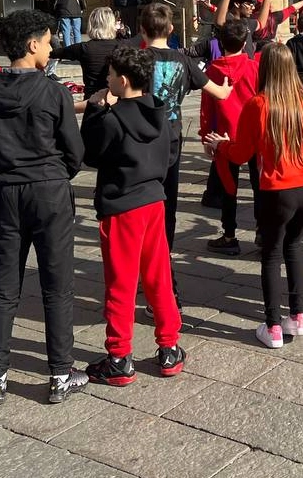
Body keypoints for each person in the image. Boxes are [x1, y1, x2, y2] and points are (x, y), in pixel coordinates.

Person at [0, 9, 87, 405]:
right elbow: (74, 149)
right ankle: (59, 372)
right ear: (33, 45)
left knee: (3, 287)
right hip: (49, 190)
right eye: (49, 41)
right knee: (57, 285)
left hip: (4, 191)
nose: (51, 47)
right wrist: (56, 174)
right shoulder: (53, 92)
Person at [206, 43, 303, 348]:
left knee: (272, 254)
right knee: (295, 246)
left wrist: (221, 144)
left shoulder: (258, 104)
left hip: (279, 190)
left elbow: (241, 153)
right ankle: (299, 317)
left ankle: (273, 326)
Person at [81, 45, 186, 384]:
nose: (106, 80)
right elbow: (169, 158)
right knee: (159, 277)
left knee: (121, 282)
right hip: (154, 200)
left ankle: (119, 355)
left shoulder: (112, 119)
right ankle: (169, 347)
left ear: (122, 81)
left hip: (121, 205)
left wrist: (95, 108)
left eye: (110, 76)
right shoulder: (161, 112)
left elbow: (91, 154)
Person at [144, 3, 232, 298]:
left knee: (141, 205)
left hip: (138, 139)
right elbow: (219, 92)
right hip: (170, 138)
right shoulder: (183, 61)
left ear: (142, 29)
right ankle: (163, 261)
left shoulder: (136, 58)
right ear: (171, 30)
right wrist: (230, 83)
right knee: (167, 204)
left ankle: (145, 264)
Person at [200, 20, 261, 256]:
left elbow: (207, 108)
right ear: (245, 42)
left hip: (225, 134)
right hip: (253, 133)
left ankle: (229, 235)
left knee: (229, 187)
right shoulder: (254, 67)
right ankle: (261, 231)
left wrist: (207, 137)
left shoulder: (213, 70)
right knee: (259, 185)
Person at [55, 7, 121, 109]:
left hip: (92, 102)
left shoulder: (83, 48)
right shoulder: (122, 46)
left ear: (92, 25)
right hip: (116, 101)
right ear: (111, 25)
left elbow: (55, 53)